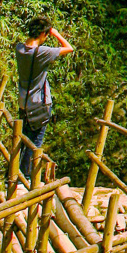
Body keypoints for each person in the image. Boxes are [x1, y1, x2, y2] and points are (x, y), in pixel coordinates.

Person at [15, 16, 74, 180]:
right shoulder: (42, 52)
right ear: (43, 34)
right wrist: (56, 34)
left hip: (23, 103)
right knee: (35, 145)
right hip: (39, 105)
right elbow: (69, 48)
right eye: (46, 34)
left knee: (23, 141)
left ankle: (16, 175)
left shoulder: (19, 49)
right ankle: (26, 179)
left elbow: (27, 45)